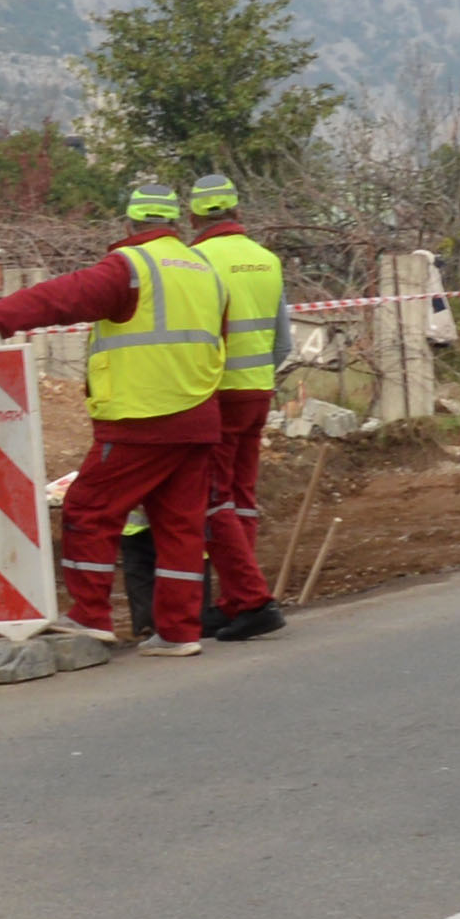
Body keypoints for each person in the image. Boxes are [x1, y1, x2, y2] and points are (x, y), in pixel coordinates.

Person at [0, 182, 229, 655]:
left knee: (89, 509)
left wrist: (2, 314)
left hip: (140, 418)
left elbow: (66, 296)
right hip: (197, 417)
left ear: (130, 223)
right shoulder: (205, 270)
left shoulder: (130, 267)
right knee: (181, 529)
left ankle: (90, 615)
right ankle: (178, 632)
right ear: (176, 222)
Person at [185, 172, 292, 641]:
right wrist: (258, 377)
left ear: (192, 217)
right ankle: (233, 601)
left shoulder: (195, 263)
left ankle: (252, 600)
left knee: (213, 501)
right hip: (258, 391)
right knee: (241, 499)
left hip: (216, 397)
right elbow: (284, 343)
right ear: (238, 211)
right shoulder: (267, 260)